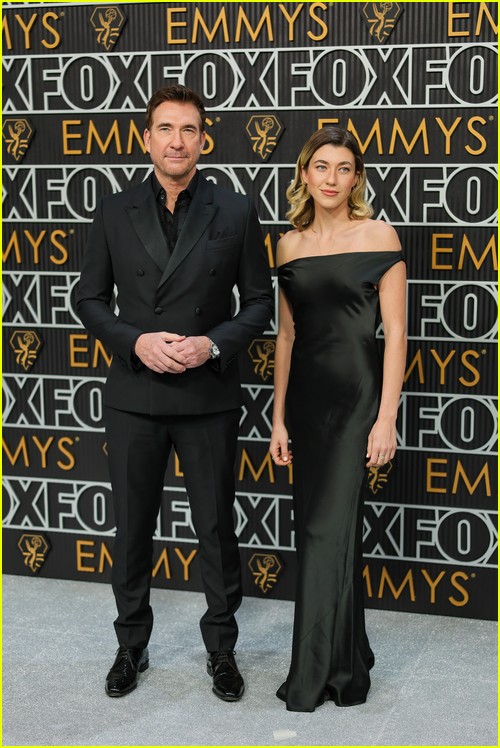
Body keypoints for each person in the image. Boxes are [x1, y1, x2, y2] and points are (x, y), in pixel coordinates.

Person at [76, 85, 273, 701]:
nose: (177, 141)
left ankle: (221, 650)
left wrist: (210, 344)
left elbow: (260, 303)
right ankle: (131, 645)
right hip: (135, 395)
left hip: (207, 396)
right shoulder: (113, 209)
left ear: (203, 139)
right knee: (132, 528)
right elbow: (88, 298)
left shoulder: (236, 211)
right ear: (147, 138)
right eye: (165, 128)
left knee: (216, 529)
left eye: (189, 129)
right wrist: (135, 341)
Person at [269, 127, 407, 712]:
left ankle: (320, 672)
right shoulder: (288, 246)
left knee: (330, 530)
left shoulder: (379, 234)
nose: (330, 178)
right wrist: (277, 418)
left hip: (356, 399)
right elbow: (287, 334)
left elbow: (396, 331)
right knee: (321, 532)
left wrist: (386, 417)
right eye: (320, 167)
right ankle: (347, 654)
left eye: (343, 168)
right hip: (305, 401)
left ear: (357, 177)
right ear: (305, 174)